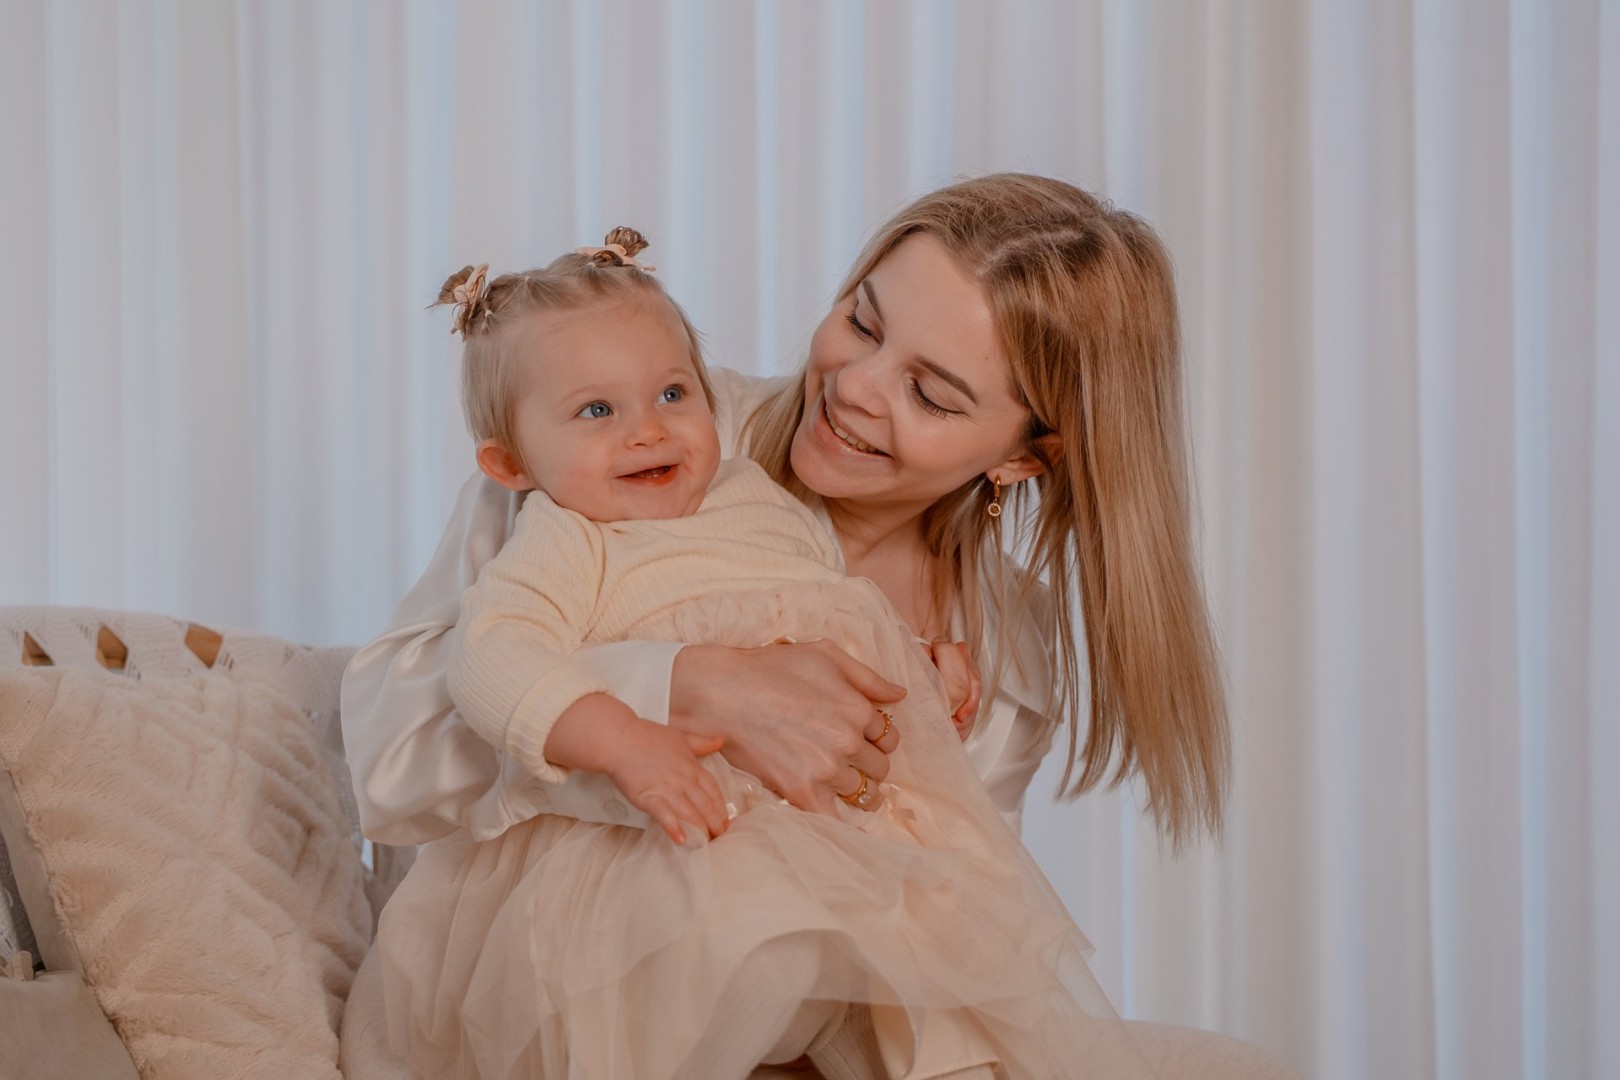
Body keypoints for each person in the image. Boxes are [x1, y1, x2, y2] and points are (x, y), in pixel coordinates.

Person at [343, 174, 1234, 1074]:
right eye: (863, 322)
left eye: (930, 394)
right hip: (549, 982)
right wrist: (681, 688)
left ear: (1024, 458)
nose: (854, 388)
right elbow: (391, 754)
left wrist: (913, 697)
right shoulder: (616, 427)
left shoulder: (1002, 651)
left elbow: (934, 898)